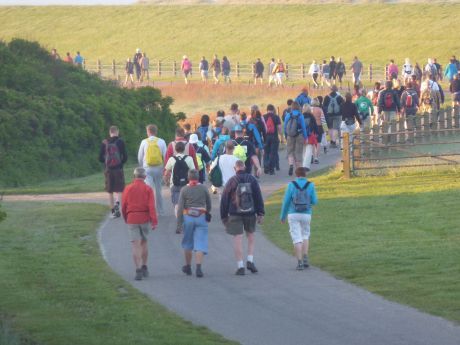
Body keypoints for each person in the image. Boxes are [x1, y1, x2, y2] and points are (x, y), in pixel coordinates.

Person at [220, 160, 265, 275]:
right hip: (250, 212)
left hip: (235, 213)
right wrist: (260, 213)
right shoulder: (252, 179)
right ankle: (250, 260)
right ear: (244, 167)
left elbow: (224, 200)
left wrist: (224, 217)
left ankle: (240, 266)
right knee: (250, 236)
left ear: (235, 169)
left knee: (238, 239)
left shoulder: (231, 181)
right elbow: (258, 197)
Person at [121, 167, 158, 281]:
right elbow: (151, 206)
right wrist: (154, 221)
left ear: (134, 177)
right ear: (145, 177)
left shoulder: (128, 188)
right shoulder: (148, 189)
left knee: (135, 245)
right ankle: (144, 267)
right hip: (144, 217)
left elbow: (123, 205)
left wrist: (126, 217)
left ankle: (137, 270)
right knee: (144, 242)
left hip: (132, 217)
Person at [280, 167, 317, 270]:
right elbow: (315, 201)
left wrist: (282, 216)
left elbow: (286, 201)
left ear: (296, 175)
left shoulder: (291, 185)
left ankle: (299, 262)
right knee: (305, 235)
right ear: (305, 174)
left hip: (293, 213)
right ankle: (305, 258)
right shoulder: (311, 185)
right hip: (306, 214)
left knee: (297, 238)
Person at [176, 169, 212, 278]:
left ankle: (187, 266)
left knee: (188, 242)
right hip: (201, 215)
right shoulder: (203, 188)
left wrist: (179, 224)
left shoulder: (184, 189)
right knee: (200, 243)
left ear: (188, 178)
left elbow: (180, 207)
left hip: (188, 217)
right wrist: (208, 212)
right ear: (198, 177)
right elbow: (208, 203)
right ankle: (199, 268)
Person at [163, 141, 196, 233]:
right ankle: (186, 222)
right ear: (184, 149)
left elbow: (166, 173)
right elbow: (193, 171)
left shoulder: (171, 159)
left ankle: (179, 223)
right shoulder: (189, 158)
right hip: (186, 185)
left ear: (175, 150)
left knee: (177, 205)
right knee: (187, 204)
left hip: (174, 185)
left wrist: (166, 182)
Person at [98, 126, 128, 218]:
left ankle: (113, 212)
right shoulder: (120, 142)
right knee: (119, 189)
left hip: (108, 170)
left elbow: (100, 158)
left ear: (110, 132)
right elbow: (125, 156)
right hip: (118, 169)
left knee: (110, 190)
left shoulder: (104, 142)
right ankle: (118, 205)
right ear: (117, 132)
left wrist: (107, 162)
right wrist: (120, 164)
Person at [138, 124, 167, 216]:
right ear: (156, 131)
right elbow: (165, 156)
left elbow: (140, 156)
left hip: (147, 169)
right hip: (159, 168)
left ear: (148, 132)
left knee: (149, 191)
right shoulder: (161, 141)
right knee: (158, 190)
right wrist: (165, 168)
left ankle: (150, 211)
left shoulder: (144, 142)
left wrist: (142, 166)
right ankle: (161, 211)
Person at [284, 101, 308, 176]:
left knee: (290, 152)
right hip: (299, 135)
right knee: (298, 153)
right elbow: (304, 127)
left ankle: (291, 165)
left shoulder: (288, 115)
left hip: (290, 136)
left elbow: (285, 126)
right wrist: (306, 137)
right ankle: (299, 172)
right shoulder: (300, 115)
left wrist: (286, 135)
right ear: (298, 107)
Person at [263, 104, 282, 175]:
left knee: (266, 153)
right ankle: (271, 170)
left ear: (267, 109)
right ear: (273, 110)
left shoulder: (263, 117)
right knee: (273, 153)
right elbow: (279, 128)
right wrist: (281, 137)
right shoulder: (276, 117)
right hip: (274, 137)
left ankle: (265, 167)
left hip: (265, 138)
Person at [301, 104, 319, 171]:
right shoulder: (311, 116)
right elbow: (315, 126)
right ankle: (306, 166)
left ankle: (303, 165)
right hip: (310, 135)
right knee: (309, 150)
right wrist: (316, 133)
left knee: (303, 150)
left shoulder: (301, 116)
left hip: (302, 135)